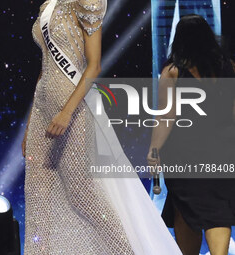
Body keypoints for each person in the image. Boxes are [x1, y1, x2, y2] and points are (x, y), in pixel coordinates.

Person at [21, 0, 182, 254]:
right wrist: (30, 124)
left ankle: (124, 250)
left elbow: (94, 65)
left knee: (82, 194)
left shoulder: (86, 2)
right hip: (42, 107)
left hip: (73, 108)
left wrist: (65, 112)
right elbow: (45, 68)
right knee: (37, 193)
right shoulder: (48, 5)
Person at [147, 14, 235, 255]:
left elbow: (166, 117)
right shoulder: (229, 67)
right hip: (223, 153)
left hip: (185, 156)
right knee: (218, 211)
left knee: (186, 211)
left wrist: (154, 150)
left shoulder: (173, 72)